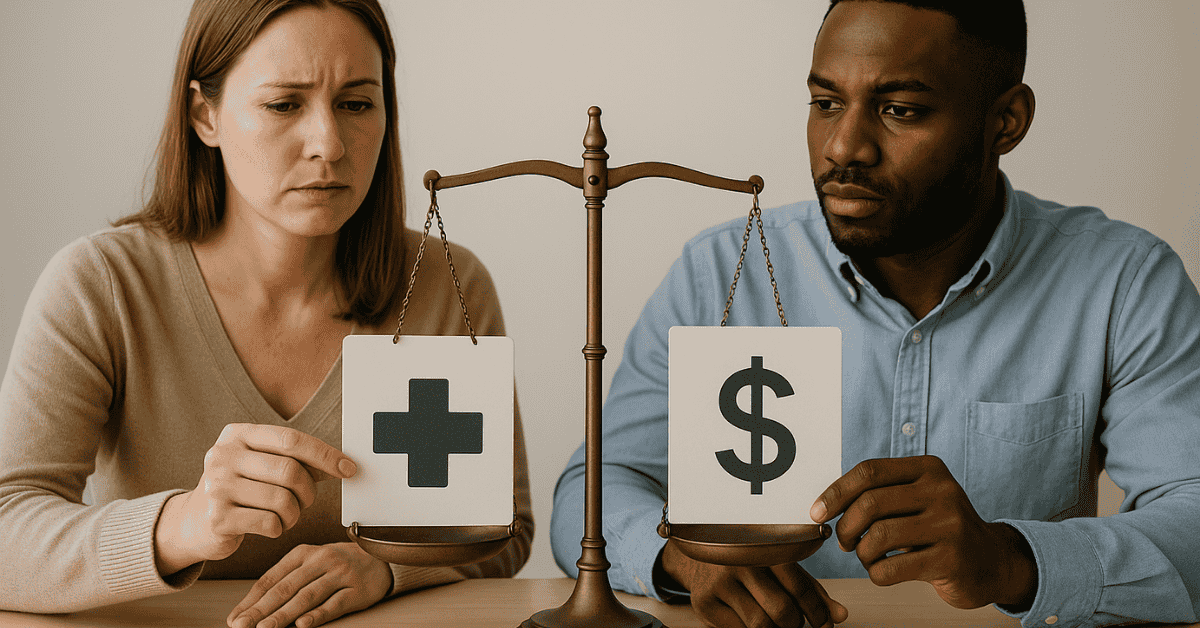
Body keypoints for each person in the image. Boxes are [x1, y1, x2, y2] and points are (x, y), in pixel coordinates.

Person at [550, 1, 1200, 627]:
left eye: (900, 110)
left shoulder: (1123, 281)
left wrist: (1009, 559)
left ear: (1007, 120)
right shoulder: (721, 272)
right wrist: (681, 560)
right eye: (826, 103)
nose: (843, 147)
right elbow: (598, 487)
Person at [0, 0, 532, 626]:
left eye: (357, 103)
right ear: (205, 115)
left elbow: (503, 529)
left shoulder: (444, 282)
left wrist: (389, 569)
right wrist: (184, 523)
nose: (329, 145)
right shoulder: (101, 285)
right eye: (284, 105)